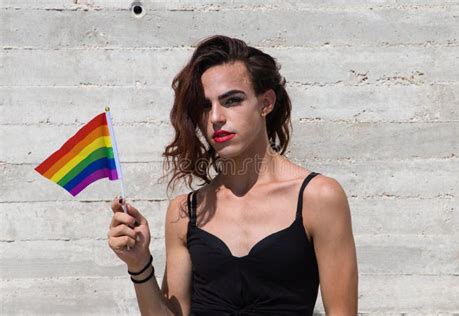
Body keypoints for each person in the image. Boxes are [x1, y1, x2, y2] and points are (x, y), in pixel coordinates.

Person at [107, 35, 358, 315]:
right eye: (205, 106)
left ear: (266, 103)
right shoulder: (186, 211)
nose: (215, 117)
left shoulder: (319, 197)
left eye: (232, 100)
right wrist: (139, 264)